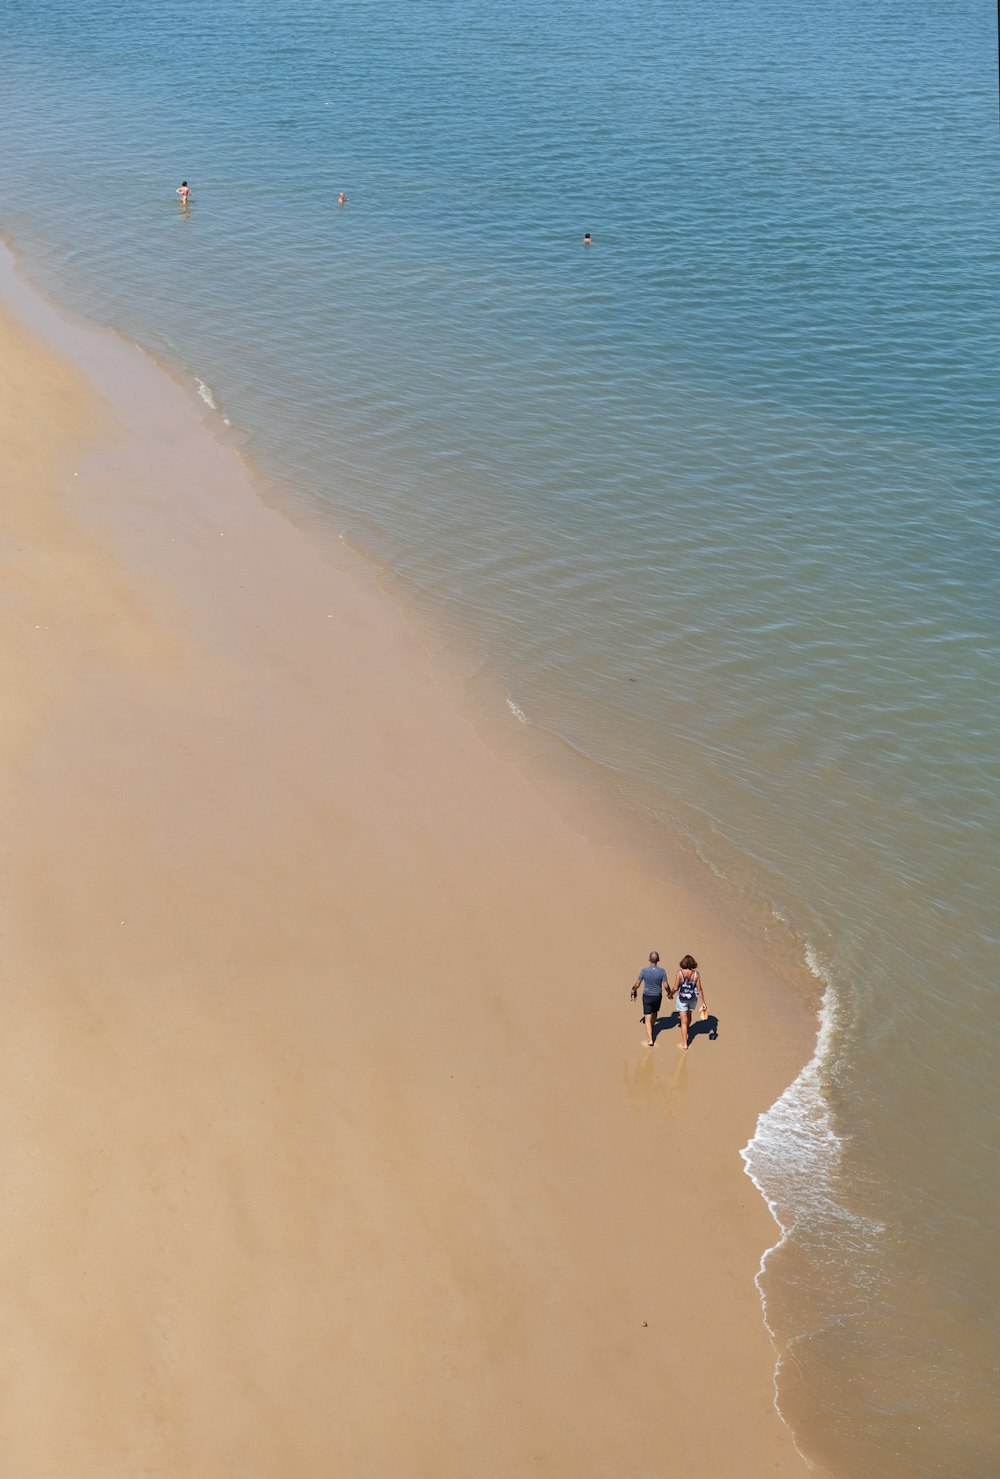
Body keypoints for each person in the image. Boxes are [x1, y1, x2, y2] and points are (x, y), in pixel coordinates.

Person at [670, 955, 708, 1050]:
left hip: (682, 999)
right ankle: (686, 1030)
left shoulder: (679, 973)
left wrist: (670, 995)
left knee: (683, 1021)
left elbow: (675, 987)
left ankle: (685, 1043)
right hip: (692, 998)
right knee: (689, 1015)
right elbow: (699, 989)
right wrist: (703, 1002)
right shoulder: (696, 974)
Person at [631, 950, 667, 1047]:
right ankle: (651, 1027)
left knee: (647, 1016)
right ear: (658, 960)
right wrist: (669, 993)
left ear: (649, 960)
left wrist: (633, 989)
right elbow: (666, 985)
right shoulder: (662, 971)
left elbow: (638, 984)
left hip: (647, 996)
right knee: (655, 1013)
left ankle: (650, 1039)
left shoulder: (644, 971)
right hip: (657, 996)